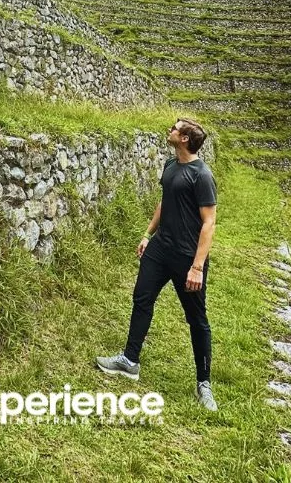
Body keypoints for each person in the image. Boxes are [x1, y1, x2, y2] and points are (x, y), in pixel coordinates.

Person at [95, 118, 218, 411]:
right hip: (160, 248)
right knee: (142, 297)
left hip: (188, 257)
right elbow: (165, 202)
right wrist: (147, 234)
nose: (170, 131)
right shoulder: (170, 165)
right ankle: (130, 360)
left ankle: (204, 384)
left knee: (196, 319)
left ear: (185, 138)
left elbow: (209, 222)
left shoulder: (202, 175)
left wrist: (197, 267)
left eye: (175, 129)